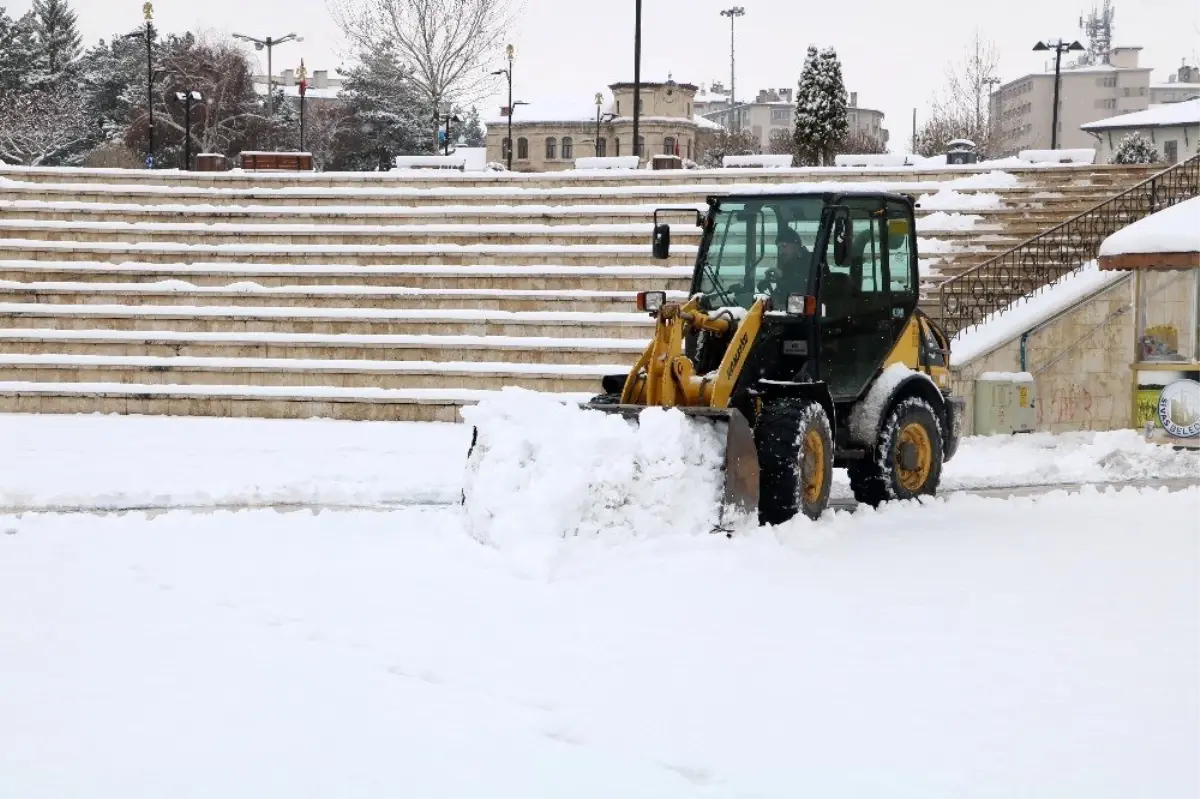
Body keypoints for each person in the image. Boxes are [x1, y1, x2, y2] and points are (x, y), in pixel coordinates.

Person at [772, 225, 813, 301]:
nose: (781, 252)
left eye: (784, 246)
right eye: (779, 248)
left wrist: (782, 277)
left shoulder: (812, 262)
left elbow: (803, 290)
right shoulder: (788, 266)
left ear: (796, 245)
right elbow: (783, 294)